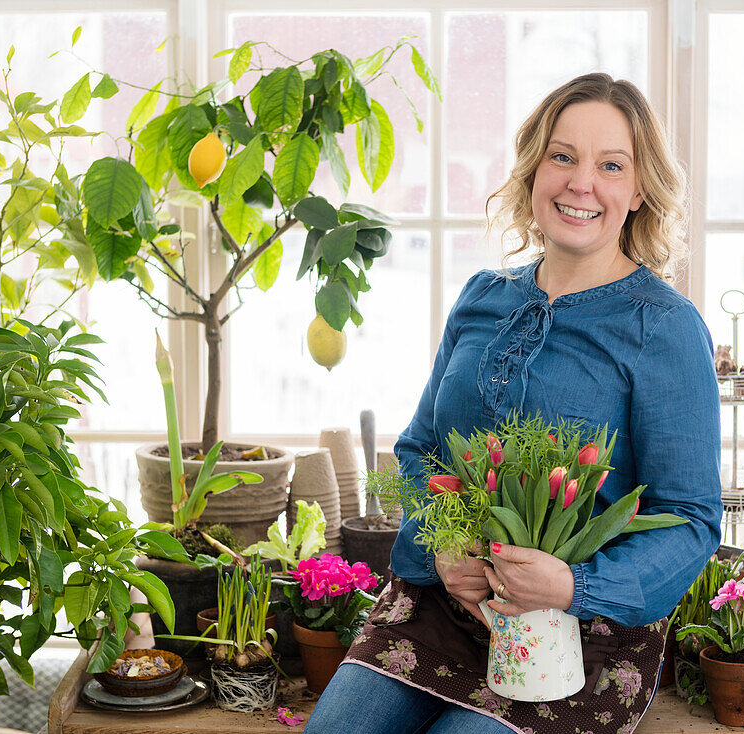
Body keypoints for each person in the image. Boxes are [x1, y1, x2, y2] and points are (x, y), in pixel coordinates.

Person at [304, 73, 722, 734]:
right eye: (563, 156)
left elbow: (690, 517)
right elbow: (418, 448)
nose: (581, 182)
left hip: (578, 634)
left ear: (639, 191)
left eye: (610, 165)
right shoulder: (481, 296)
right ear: (534, 171)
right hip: (440, 605)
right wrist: (447, 546)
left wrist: (572, 588)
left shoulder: (664, 327)